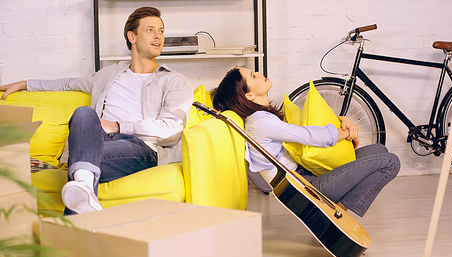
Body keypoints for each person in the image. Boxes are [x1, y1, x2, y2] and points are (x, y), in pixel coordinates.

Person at [0, 7, 193, 215]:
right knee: (83, 113)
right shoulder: (109, 74)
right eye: (150, 30)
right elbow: (68, 83)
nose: (158, 36)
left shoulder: (174, 81)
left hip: (141, 147)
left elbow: (172, 129)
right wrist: (25, 84)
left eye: (161, 31)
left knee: (81, 161)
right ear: (132, 36)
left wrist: (117, 126)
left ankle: (81, 185)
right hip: (97, 141)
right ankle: (84, 189)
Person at [211, 67, 400, 217]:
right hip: (305, 186)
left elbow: (306, 126)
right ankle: (337, 213)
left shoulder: (262, 118)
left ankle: (335, 208)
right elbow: (310, 136)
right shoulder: (261, 122)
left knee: (379, 150)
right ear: (249, 95)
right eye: (253, 76)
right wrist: (347, 133)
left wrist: (342, 119)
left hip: (306, 173)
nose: (260, 73)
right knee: (391, 162)